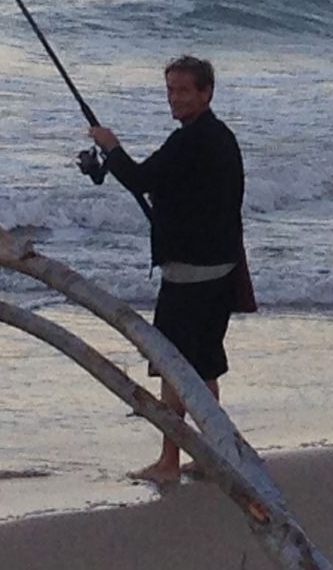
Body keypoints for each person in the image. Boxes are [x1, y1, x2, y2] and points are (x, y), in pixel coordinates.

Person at [85, 54, 251, 485]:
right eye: (170, 90)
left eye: (183, 90)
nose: (174, 99)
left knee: (173, 367)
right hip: (221, 269)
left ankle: (169, 461)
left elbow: (141, 179)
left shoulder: (191, 142)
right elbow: (171, 186)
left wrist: (111, 146)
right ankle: (216, 453)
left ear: (206, 93)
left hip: (192, 277)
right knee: (204, 366)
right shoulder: (220, 138)